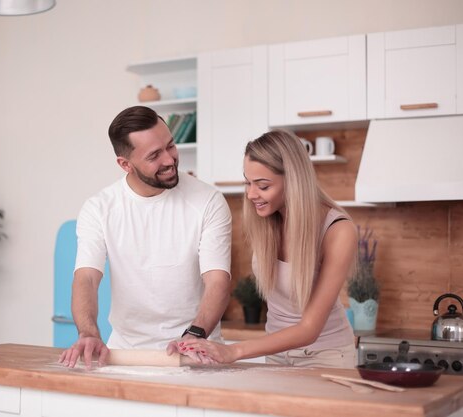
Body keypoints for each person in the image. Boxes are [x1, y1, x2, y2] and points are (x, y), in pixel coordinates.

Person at [59, 106, 232, 368]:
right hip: (124, 356)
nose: (169, 160)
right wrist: (89, 333)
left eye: (170, 146)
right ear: (125, 164)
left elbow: (217, 280)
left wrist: (195, 335)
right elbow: (86, 277)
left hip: (195, 352)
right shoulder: (100, 208)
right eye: (154, 155)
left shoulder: (208, 200)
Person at [180, 130, 357, 368]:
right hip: (277, 357)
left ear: (293, 180)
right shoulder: (267, 221)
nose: (252, 194)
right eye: (247, 182)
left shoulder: (338, 231)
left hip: (326, 356)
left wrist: (234, 351)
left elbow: (309, 329)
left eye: (263, 185)